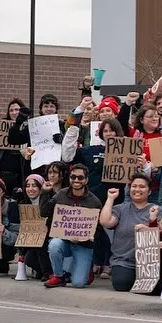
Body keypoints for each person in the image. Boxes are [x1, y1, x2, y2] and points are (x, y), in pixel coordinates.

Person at [62, 118, 124, 278]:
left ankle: (108, 263)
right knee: (95, 232)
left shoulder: (127, 151)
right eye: (106, 131)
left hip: (116, 200)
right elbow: (68, 157)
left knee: (110, 233)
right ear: (100, 133)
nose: (109, 133)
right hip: (92, 200)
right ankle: (96, 262)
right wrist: (73, 130)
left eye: (112, 130)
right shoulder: (91, 150)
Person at [42, 164, 103, 289]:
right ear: (69, 178)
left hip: (83, 245)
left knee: (78, 283)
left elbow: (98, 229)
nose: (76, 180)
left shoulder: (94, 202)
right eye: (73, 177)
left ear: (86, 180)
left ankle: (86, 266)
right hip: (64, 242)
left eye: (80, 177)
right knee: (54, 244)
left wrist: (83, 238)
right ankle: (58, 276)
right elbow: (43, 212)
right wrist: (45, 193)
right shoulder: (61, 195)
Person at [99, 174, 157, 292]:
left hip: (147, 262)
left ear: (149, 191)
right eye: (134, 186)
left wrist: (149, 226)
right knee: (122, 284)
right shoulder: (121, 208)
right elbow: (105, 222)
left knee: (152, 289)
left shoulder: (157, 210)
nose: (137, 189)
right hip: (123, 261)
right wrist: (110, 199)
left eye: (142, 187)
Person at [19, 173, 52, 281]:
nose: (30, 189)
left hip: (49, 238)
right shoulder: (24, 203)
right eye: (28, 186)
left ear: (41, 187)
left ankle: (48, 272)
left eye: (34, 186)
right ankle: (41, 270)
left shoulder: (48, 200)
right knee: (29, 259)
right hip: (33, 241)